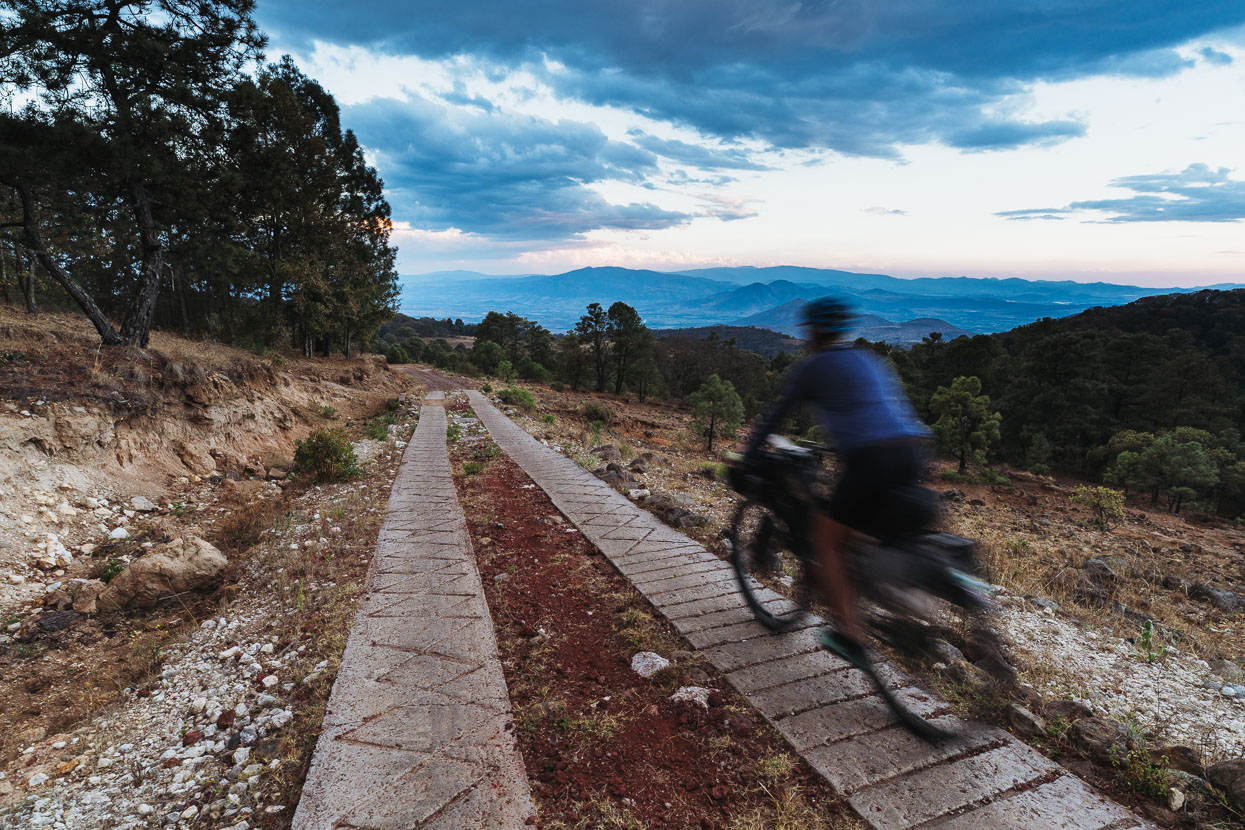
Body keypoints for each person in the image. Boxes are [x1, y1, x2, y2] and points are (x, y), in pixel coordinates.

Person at [742, 296, 932, 670]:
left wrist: (749, 456)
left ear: (812, 331)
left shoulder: (813, 367)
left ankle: (849, 633)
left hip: (871, 459)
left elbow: (773, 419)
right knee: (861, 529)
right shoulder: (869, 359)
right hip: (914, 452)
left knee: (825, 540)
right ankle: (892, 591)